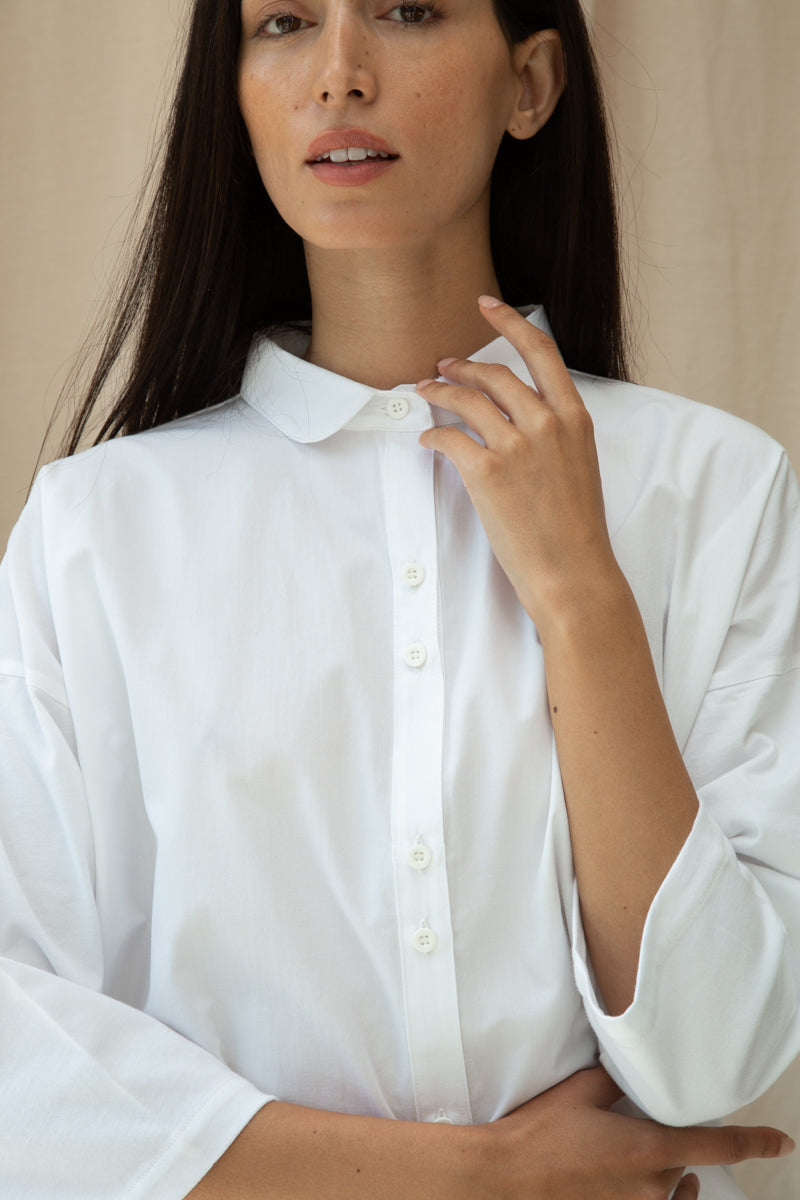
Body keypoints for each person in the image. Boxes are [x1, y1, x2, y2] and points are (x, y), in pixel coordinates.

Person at [1, 0, 798, 1196]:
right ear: (234, 92)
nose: (337, 74)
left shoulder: (717, 488)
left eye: (407, 10)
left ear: (529, 84)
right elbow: (20, 1055)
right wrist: (477, 1177)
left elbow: (711, 1055)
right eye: (282, 22)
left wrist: (581, 598)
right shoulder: (96, 528)